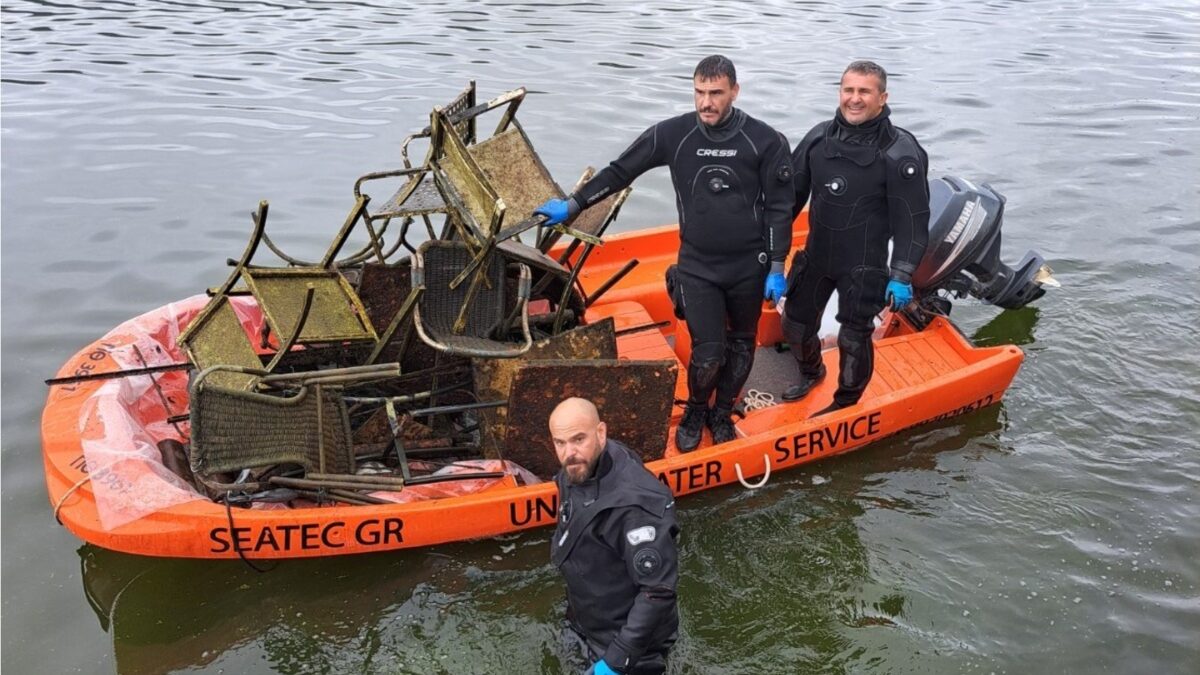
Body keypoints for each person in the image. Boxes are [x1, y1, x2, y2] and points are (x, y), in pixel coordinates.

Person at [535, 55, 796, 451]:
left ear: (735, 92)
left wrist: (777, 265)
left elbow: (779, 207)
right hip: (698, 265)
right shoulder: (673, 135)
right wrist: (574, 204)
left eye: (716, 93)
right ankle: (695, 410)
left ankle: (722, 412)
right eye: (699, 93)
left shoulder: (765, 140)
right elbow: (621, 171)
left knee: (742, 346)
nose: (706, 102)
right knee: (709, 353)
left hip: (750, 265)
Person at [782, 60, 930, 415]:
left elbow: (913, 222)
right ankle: (812, 371)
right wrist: (768, 254)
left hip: (864, 264)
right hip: (818, 255)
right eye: (848, 90)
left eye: (864, 91)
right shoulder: (818, 138)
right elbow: (786, 200)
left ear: (882, 97)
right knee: (795, 324)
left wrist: (902, 275)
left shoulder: (900, 153)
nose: (855, 99)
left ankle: (846, 403)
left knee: (853, 336)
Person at [548, 397, 680, 675]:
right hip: (586, 616)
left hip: (626, 642)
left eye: (578, 439)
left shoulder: (635, 509)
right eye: (560, 443)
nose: (569, 452)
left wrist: (617, 661)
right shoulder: (578, 468)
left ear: (601, 433)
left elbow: (658, 591)